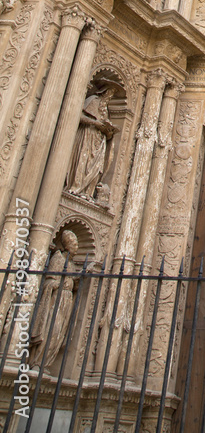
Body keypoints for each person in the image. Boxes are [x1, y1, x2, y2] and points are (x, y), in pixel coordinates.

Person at [31, 230, 79, 369]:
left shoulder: (71, 264)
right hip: (55, 301)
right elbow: (48, 282)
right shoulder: (58, 260)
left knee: (59, 335)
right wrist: (61, 284)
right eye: (75, 244)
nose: (77, 247)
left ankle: (45, 364)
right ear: (68, 245)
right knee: (51, 330)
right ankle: (36, 362)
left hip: (66, 302)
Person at [65, 87, 117, 200]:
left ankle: (88, 192)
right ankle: (76, 187)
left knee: (97, 167)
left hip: (99, 141)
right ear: (103, 91)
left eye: (112, 94)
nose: (110, 96)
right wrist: (95, 123)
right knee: (83, 161)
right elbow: (79, 116)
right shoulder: (93, 100)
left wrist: (108, 132)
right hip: (87, 136)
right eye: (109, 92)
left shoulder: (106, 110)